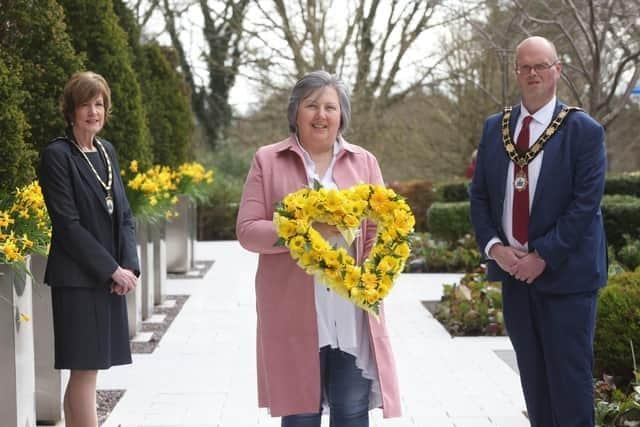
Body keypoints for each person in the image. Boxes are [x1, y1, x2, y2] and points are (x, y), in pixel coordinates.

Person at [236, 70, 401, 426]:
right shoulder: (268, 159)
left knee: (352, 411)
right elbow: (248, 231)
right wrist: (304, 229)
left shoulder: (364, 162)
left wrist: (374, 276)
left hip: (351, 311)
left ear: (342, 115)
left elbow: (377, 229)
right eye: (312, 105)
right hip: (292, 310)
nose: (321, 115)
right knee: (300, 415)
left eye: (330, 106)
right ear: (296, 112)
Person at [470, 36, 607, 427]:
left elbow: (585, 205)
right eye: (524, 67)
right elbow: (479, 196)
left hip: (568, 279)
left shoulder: (584, 130)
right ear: (516, 71)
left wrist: (542, 255)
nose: (532, 74)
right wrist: (496, 249)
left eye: (541, 66)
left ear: (557, 70)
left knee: (570, 383)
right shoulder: (496, 127)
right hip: (515, 277)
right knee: (533, 381)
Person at [39, 71, 139, 427]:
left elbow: (124, 215)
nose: (93, 111)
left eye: (99, 104)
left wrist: (129, 267)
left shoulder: (106, 151)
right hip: (78, 279)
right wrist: (111, 269)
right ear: (70, 110)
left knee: (89, 371)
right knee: (84, 371)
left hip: (109, 277)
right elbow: (67, 225)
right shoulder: (57, 155)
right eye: (85, 104)